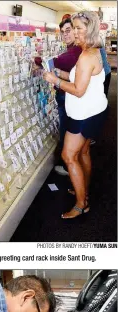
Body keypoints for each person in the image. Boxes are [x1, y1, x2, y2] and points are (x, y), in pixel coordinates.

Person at [43, 11, 107, 219]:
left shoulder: (86, 55)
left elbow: (79, 90)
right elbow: (83, 78)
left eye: (79, 28)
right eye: (74, 28)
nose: (75, 33)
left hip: (83, 114)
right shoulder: (92, 50)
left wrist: (56, 82)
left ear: (90, 29)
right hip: (95, 111)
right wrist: (60, 75)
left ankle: (81, 204)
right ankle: (83, 191)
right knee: (84, 153)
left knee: (68, 155)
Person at [53, 17, 82, 176]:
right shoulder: (73, 49)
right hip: (69, 95)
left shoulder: (75, 51)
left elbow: (58, 61)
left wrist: (39, 60)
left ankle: (67, 166)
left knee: (67, 129)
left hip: (68, 96)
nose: (65, 34)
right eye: (63, 32)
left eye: (68, 30)